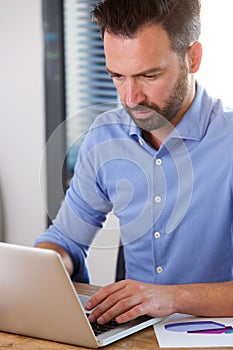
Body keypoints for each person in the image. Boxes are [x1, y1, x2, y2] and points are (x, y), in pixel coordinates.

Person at [35, 0, 233, 325]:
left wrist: (170, 298)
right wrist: (40, 269)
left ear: (193, 58)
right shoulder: (104, 137)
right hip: (132, 336)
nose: (130, 98)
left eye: (148, 75)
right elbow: (66, 240)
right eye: (117, 76)